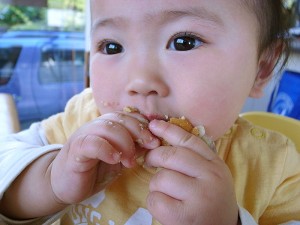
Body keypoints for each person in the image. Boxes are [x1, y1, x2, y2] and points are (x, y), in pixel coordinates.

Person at [0, 0, 300, 224]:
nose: (139, 81)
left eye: (184, 42)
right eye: (112, 46)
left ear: (262, 68)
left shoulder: (277, 166)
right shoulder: (82, 119)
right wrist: (49, 182)